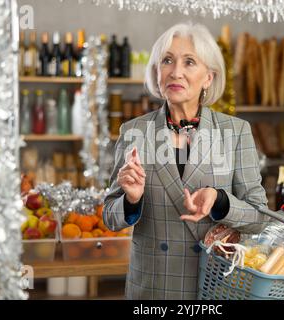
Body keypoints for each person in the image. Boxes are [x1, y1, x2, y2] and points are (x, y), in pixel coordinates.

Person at [103, 22, 269, 300]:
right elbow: (110, 216)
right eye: (167, 60)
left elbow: (260, 217)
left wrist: (219, 200)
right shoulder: (134, 132)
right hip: (154, 288)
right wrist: (131, 200)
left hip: (215, 285)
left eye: (189, 62)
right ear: (157, 73)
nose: (175, 71)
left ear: (209, 77)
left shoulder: (235, 132)